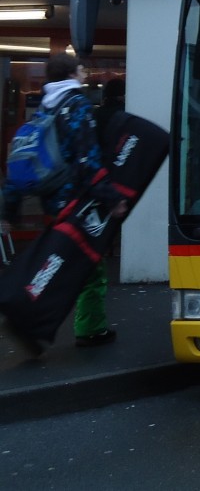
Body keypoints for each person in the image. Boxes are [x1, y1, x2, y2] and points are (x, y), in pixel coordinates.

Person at [1, 53, 126, 348]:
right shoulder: (77, 105)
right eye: (81, 68)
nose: (84, 72)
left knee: (57, 263)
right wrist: (111, 197)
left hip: (52, 202)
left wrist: (9, 209)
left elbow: (26, 157)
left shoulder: (47, 106)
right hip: (77, 202)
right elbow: (87, 159)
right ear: (72, 73)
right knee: (88, 268)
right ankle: (86, 328)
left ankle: (31, 319)